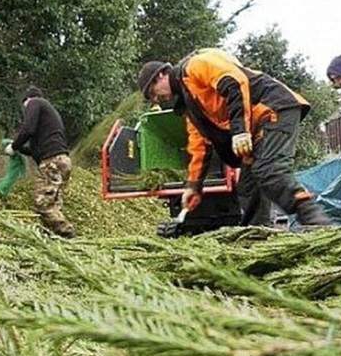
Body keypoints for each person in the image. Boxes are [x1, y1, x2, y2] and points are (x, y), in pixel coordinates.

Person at [137, 48, 330, 227]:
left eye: (153, 93)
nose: (156, 99)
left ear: (161, 75)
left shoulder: (195, 65)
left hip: (272, 108)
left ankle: (314, 219)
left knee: (268, 171)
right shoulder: (190, 106)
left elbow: (234, 82)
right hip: (255, 126)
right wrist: (193, 186)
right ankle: (258, 234)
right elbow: (200, 146)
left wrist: (239, 131)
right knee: (247, 186)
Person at [5, 86, 76, 238]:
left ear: (27, 100)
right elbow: (34, 150)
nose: (27, 111)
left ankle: (68, 234)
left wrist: (13, 146)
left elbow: (27, 129)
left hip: (53, 162)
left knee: (42, 203)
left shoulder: (35, 102)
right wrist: (19, 148)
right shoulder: (48, 118)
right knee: (53, 204)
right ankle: (52, 238)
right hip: (62, 161)